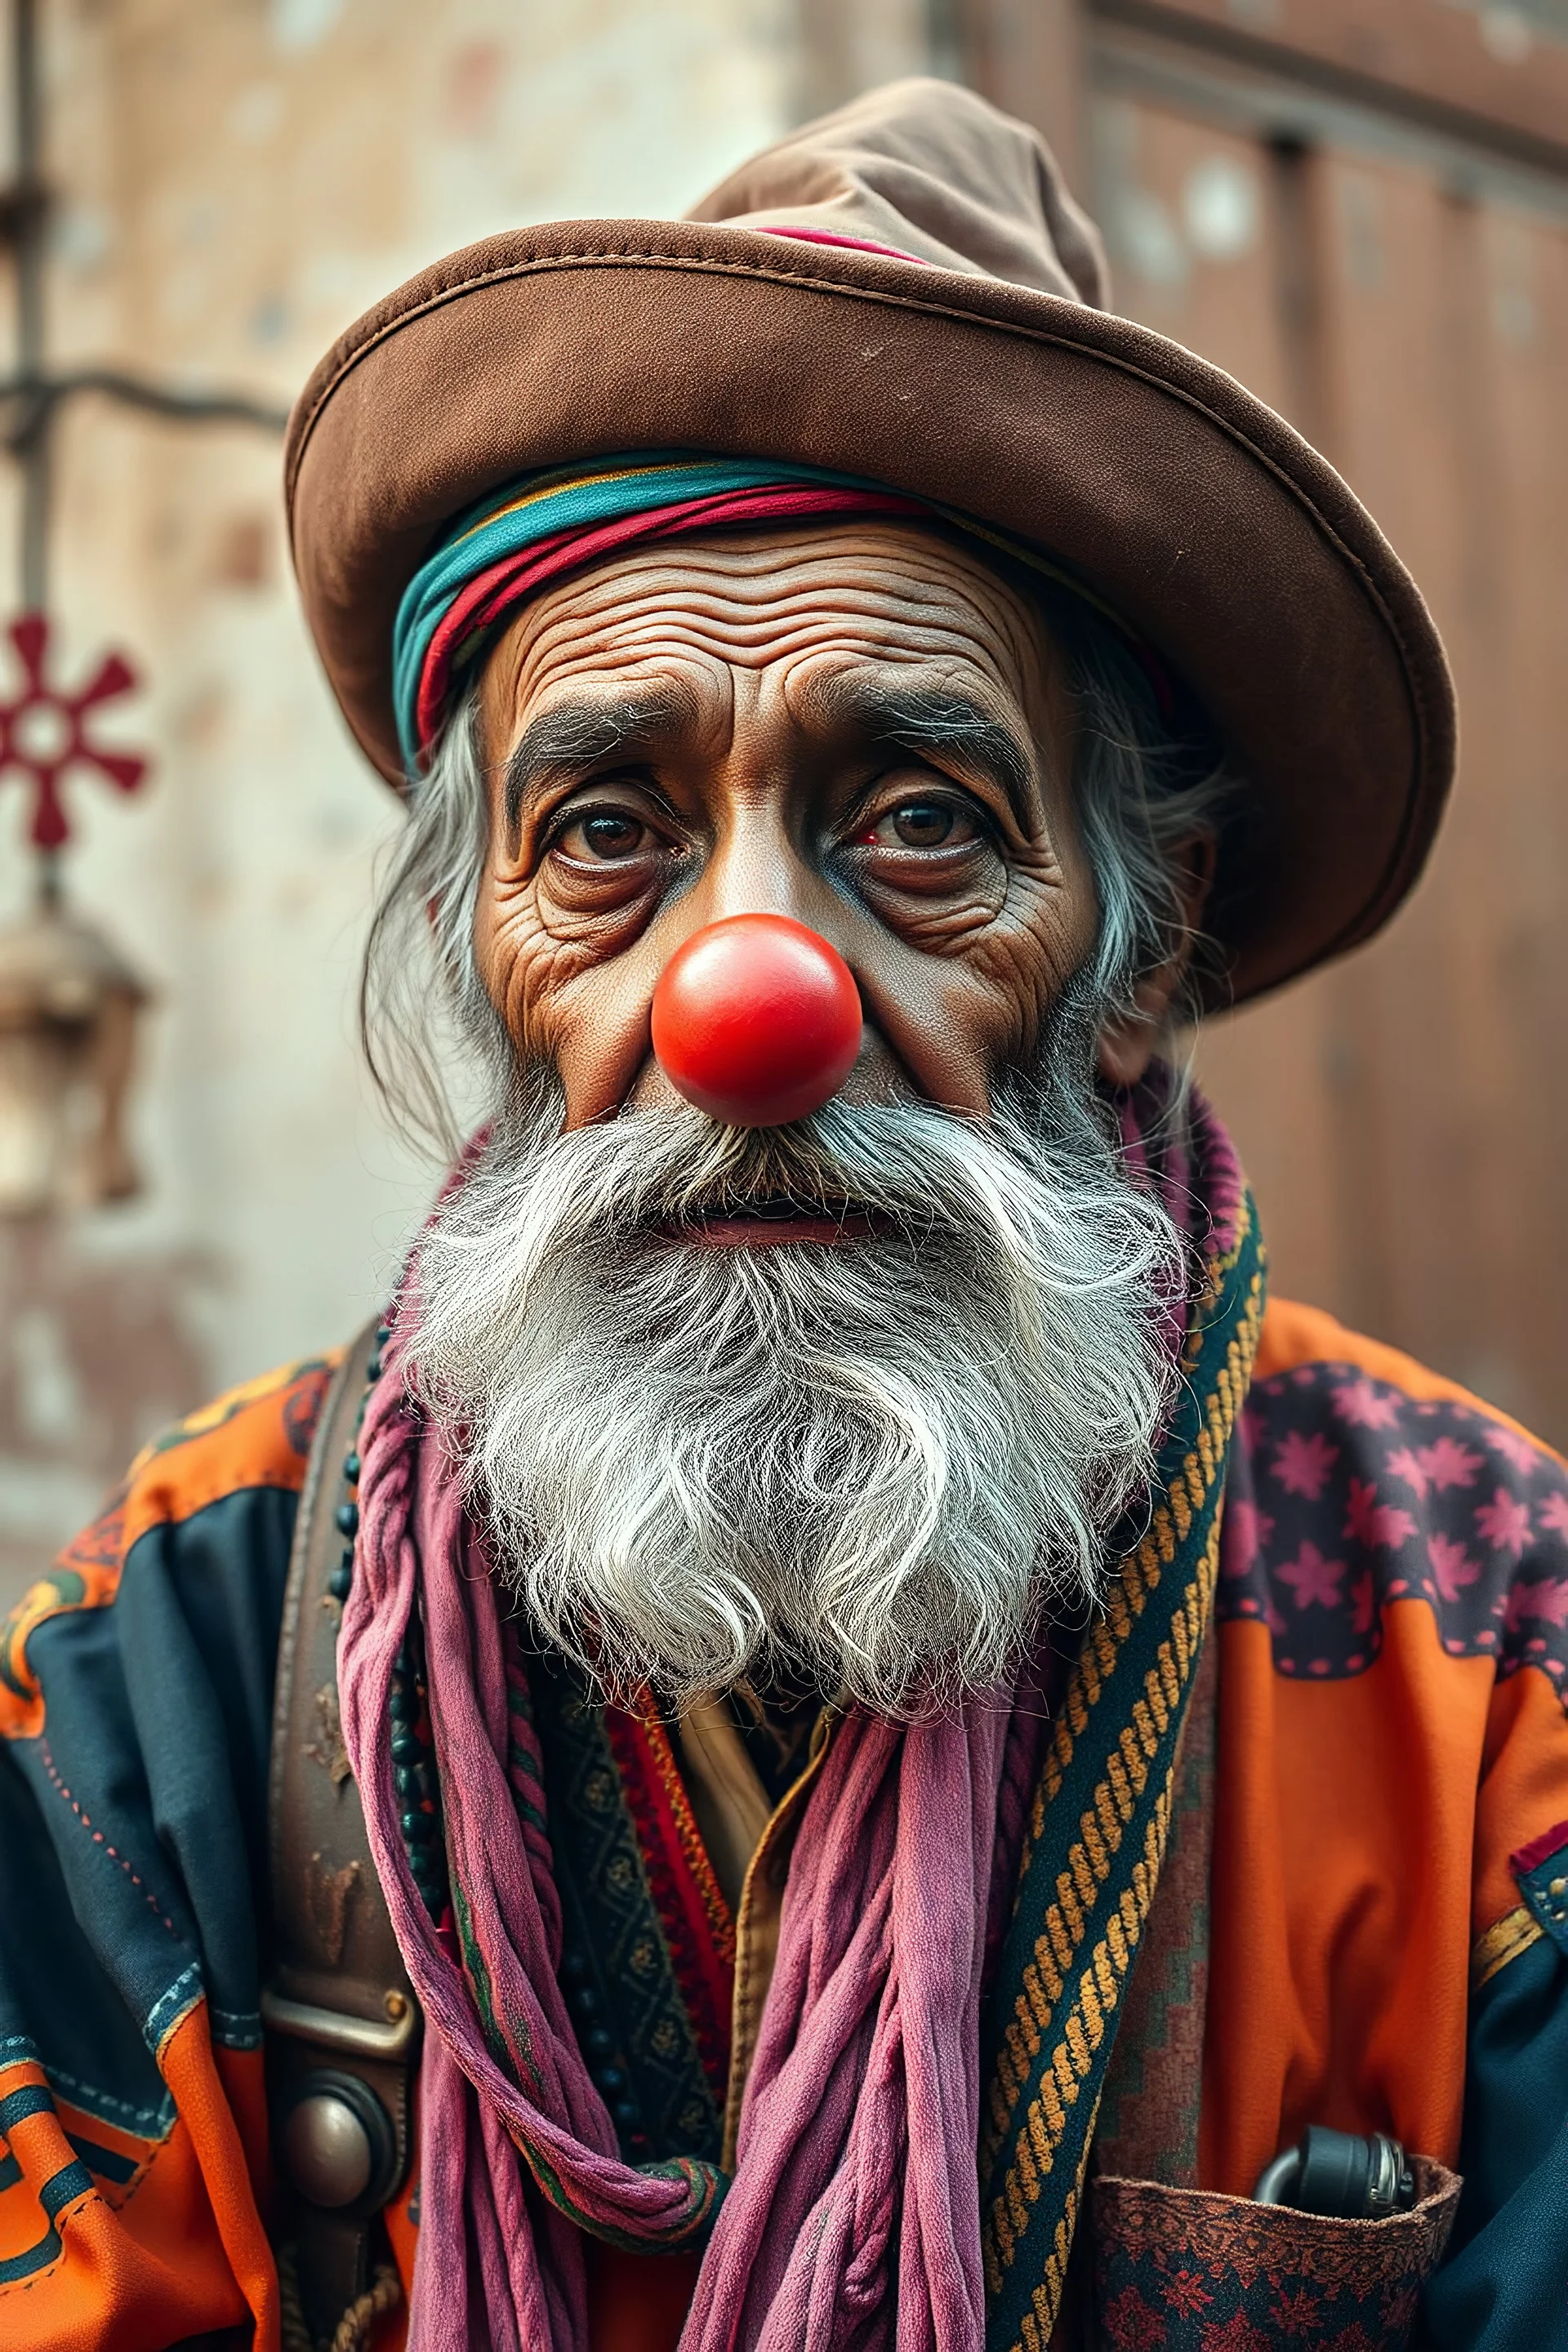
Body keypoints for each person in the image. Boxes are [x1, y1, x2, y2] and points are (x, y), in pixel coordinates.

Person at [1, 78, 1563, 2352]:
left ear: (1141, 949)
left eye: (921, 818)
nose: (755, 1001)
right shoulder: (175, 1653)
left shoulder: (1494, 1650)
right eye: (608, 833)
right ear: (493, 967)